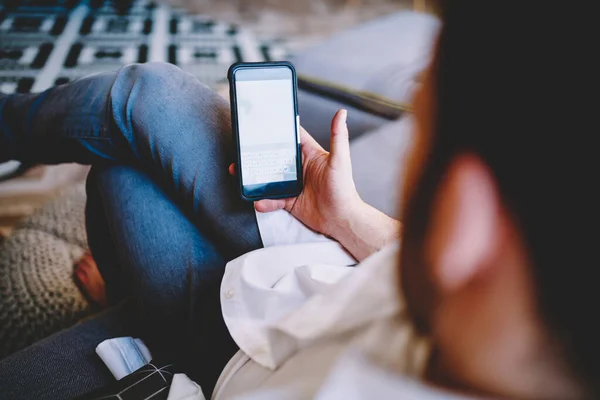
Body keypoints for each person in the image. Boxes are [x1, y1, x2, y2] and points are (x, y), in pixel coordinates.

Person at [1, 1, 598, 399]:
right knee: (146, 102)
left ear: (462, 219)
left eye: (423, 115)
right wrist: (349, 218)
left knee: (118, 174)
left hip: (230, 357)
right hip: (305, 284)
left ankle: (129, 299)